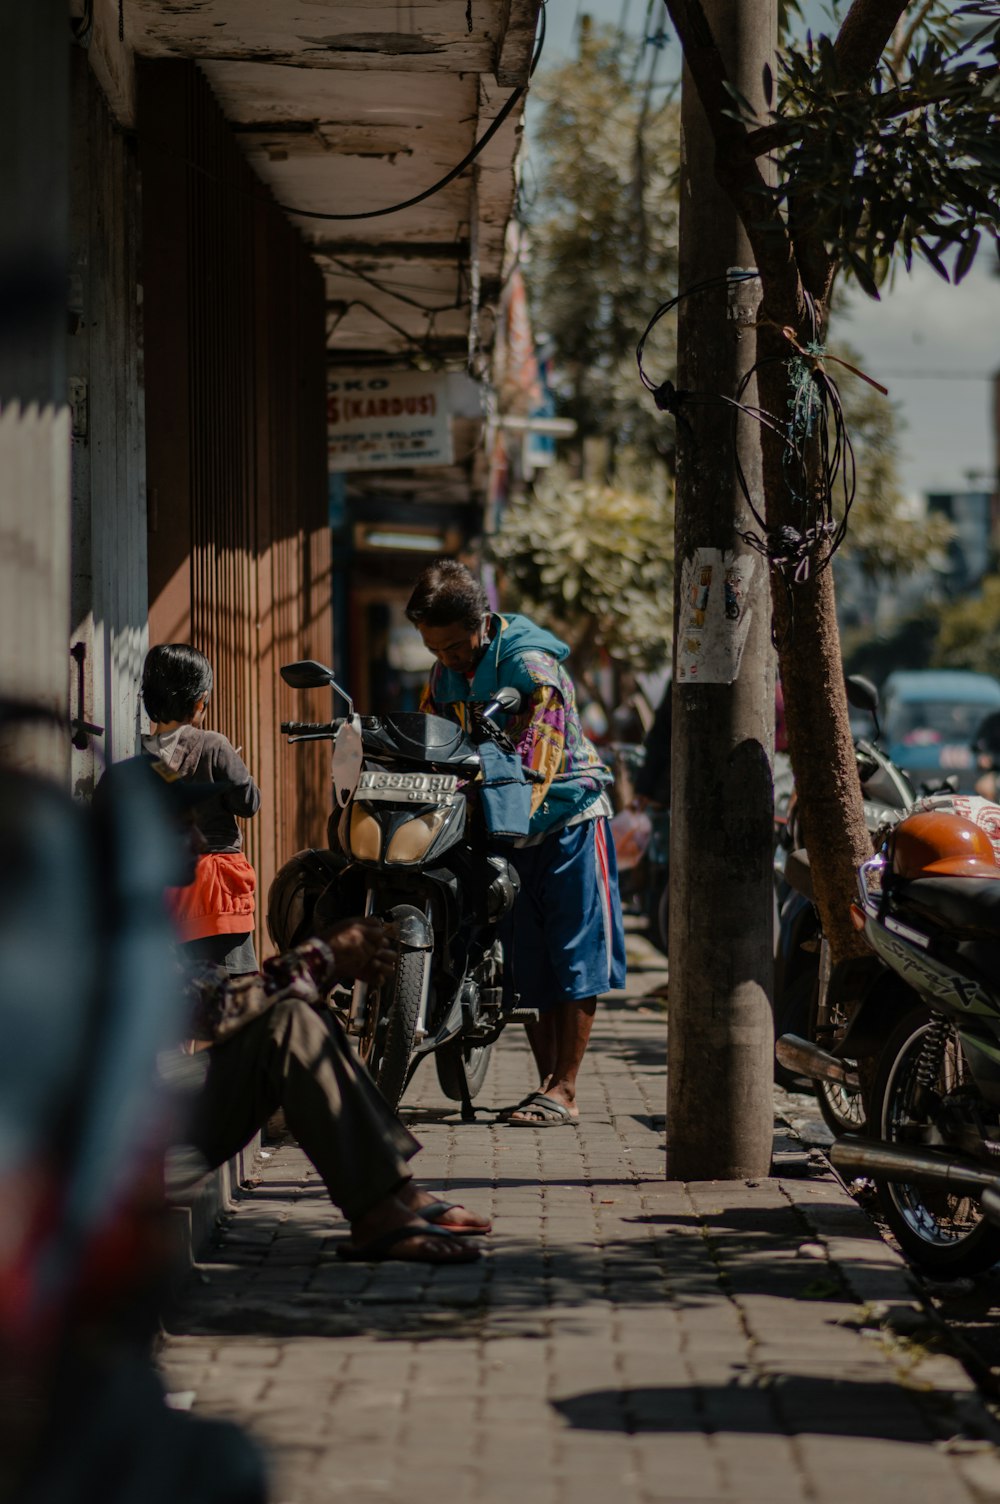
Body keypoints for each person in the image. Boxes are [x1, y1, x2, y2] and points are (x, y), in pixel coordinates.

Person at [101, 755, 491, 1264]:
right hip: (114, 1160)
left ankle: (390, 1194)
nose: (199, 843)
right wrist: (322, 956)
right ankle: (381, 1206)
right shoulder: (98, 921)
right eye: (183, 829)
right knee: (287, 1023)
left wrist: (316, 969)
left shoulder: (134, 910)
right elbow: (208, 1006)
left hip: (139, 1125)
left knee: (298, 1015)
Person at [405, 559, 626, 1127]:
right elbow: (435, 740)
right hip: (506, 827)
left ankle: (567, 1090)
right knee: (528, 962)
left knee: (576, 957)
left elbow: (540, 758)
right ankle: (546, 1089)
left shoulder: (532, 666)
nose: (448, 659)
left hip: (570, 818)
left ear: (482, 623)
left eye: (455, 646)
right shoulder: (443, 676)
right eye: (436, 649)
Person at [141, 643, 260, 974]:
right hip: (215, 889)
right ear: (200, 701)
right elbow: (248, 803)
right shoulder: (213, 745)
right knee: (234, 995)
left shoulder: (138, 753)